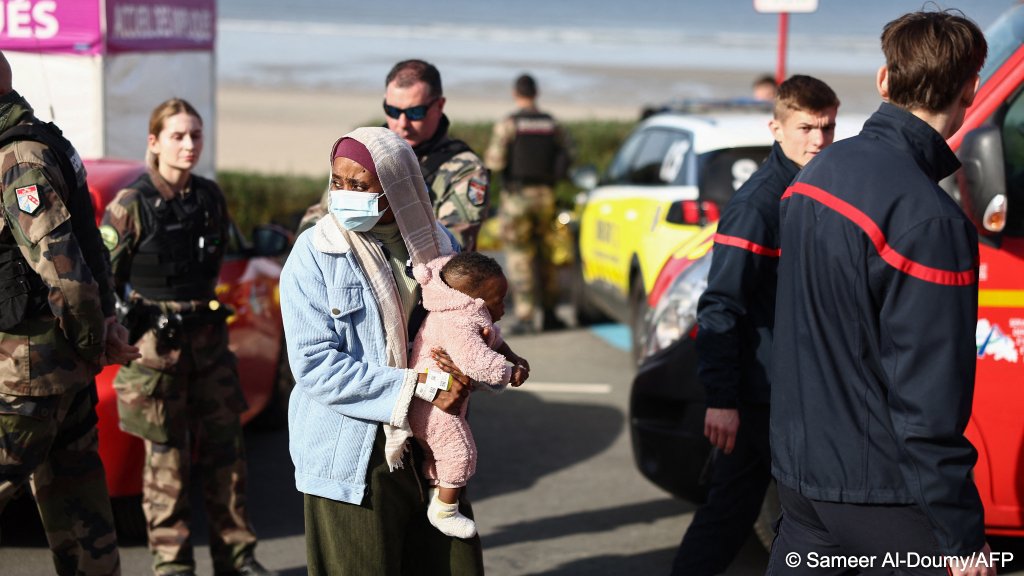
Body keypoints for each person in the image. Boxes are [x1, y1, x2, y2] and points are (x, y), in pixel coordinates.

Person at [769, 11, 993, 576]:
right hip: (883, 497)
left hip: (799, 479)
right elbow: (929, 403)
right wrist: (962, 537)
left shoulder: (813, 177)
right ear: (970, 88)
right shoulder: (929, 220)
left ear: (884, 80)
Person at [281, 127, 486, 575]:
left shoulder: (440, 247)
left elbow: (465, 323)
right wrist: (421, 388)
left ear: (397, 187)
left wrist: (469, 370)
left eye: (359, 186)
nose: (343, 196)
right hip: (355, 453)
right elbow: (315, 366)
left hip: (431, 446)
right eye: (337, 182)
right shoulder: (315, 253)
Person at [669, 75, 839, 576]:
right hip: (760, 398)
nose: (819, 140)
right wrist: (722, 400)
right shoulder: (758, 205)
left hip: (798, 391)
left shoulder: (818, 187)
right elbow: (721, 307)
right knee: (732, 515)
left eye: (827, 127)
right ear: (776, 128)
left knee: (788, 517)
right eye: (806, 127)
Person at [99, 98, 276, 576]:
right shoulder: (131, 204)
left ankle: (237, 559)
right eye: (177, 136)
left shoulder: (209, 197)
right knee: (167, 468)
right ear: (154, 142)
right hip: (156, 352)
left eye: (195, 135)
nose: (189, 144)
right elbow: (103, 281)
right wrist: (124, 323)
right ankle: (173, 566)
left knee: (227, 458)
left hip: (210, 346)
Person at [0, 50, 139, 575]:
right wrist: (99, 332)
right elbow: (90, 248)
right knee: (80, 515)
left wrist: (92, 340)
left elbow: (65, 269)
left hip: (29, 375)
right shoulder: (39, 143)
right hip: (56, 369)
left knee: (77, 507)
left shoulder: (21, 160)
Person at [299, 60, 490, 251]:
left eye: (415, 112)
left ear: (439, 106)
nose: (402, 123)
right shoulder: (365, 151)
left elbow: (453, 248)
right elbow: (320, 212)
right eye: (393, 111)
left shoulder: (463, 169)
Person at [408, 251, 530, 539]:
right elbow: (476, 362)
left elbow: (493, 337)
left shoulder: (467, 313)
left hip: (439, 400)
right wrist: (508, 372)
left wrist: (513, 356)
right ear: (475, 302)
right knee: (460, 452)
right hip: (433, 404)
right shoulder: (457, 323)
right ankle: (444, 511)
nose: (504, 307)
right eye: (499, 301)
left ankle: (437, 493)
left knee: (439, 454)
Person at [484, 73, 575, 333]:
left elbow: (494, 161)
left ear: (516, 93)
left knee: (519, 256)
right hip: (546, 197)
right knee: (548, 256)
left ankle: (525, 316)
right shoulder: (552, 124)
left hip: (517, 198)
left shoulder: (509, 123)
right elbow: (569, 154)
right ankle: (550, 314)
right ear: (537, 93)